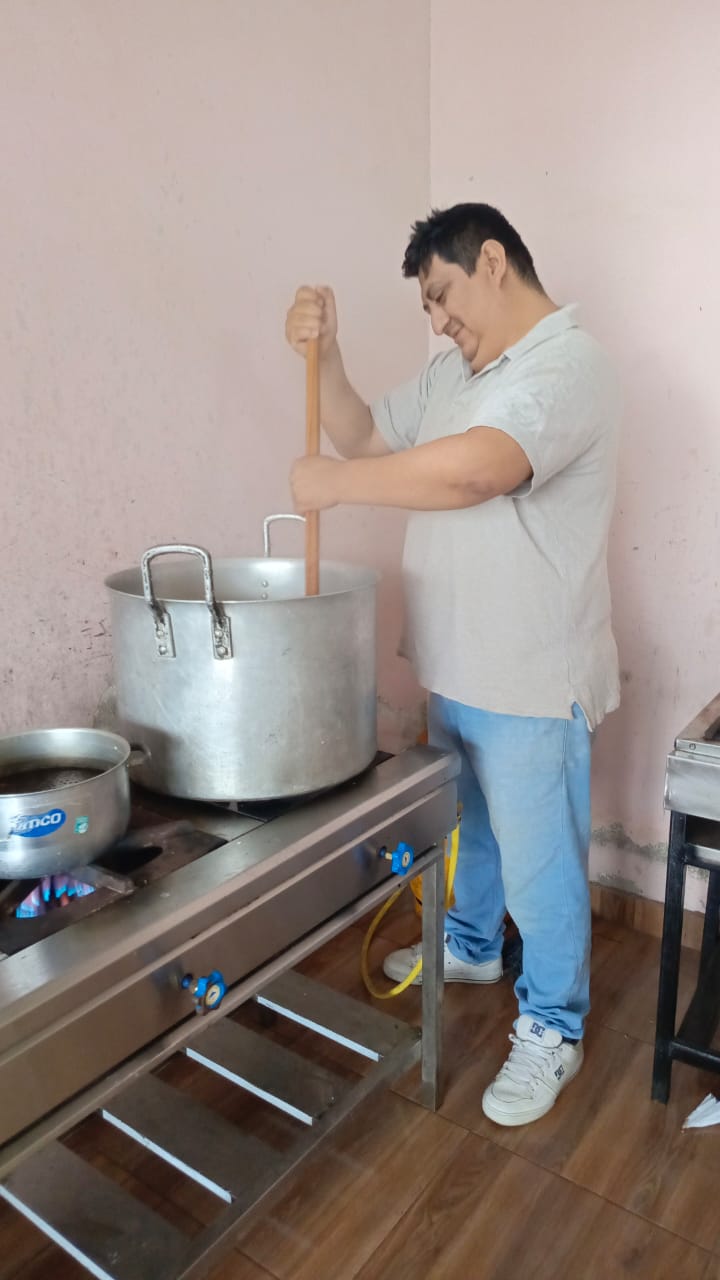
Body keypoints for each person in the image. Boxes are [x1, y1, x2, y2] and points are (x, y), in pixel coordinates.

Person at [284, 203, 620, 1127]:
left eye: (441, 295)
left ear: (493, 260)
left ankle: (553, 1024)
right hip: (454, 663)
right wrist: (330, 356)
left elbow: (481, 470)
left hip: (530, 674)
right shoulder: (452, 375)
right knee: (469, 829)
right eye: (427, 307)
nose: (437, 320)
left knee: (541, 867)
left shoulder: (567, 365)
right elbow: (363, 436)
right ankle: (470, 946)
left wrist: (336, 488)